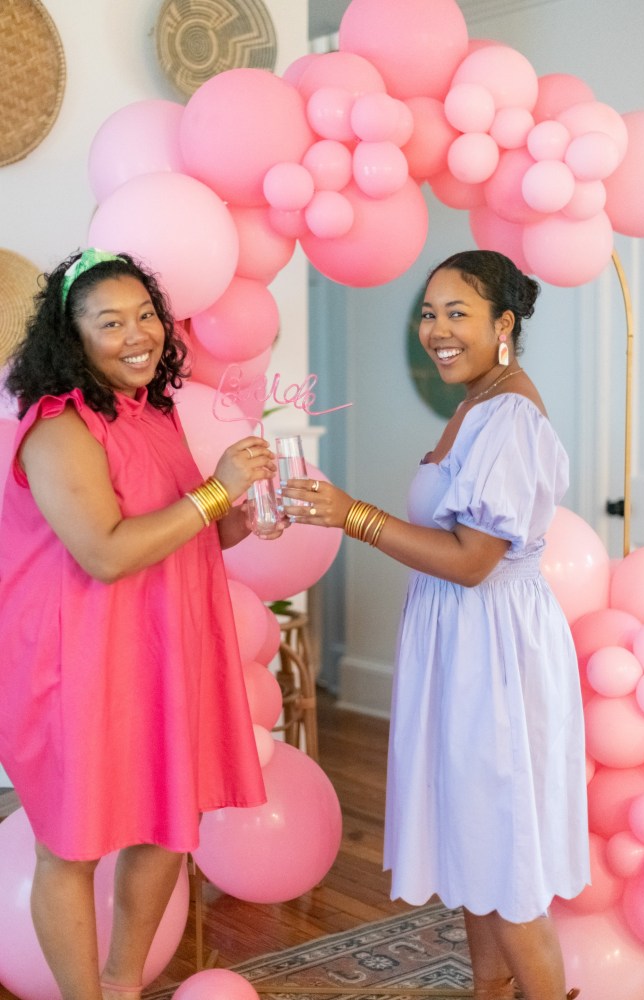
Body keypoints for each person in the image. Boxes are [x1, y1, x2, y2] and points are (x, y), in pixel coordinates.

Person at [283, 250, 588, 1000]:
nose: (437, 330)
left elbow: (473, 559)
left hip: (494, 648)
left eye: (458, 313)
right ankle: (489, 992)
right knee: (476, 843)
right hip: (463, 641)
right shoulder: (477, 402)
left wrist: (352, 515)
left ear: (504, 323)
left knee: (505, 858)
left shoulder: (510, 416)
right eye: (428, 312)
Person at [0, 248, 282, 1000]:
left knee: (167, 821)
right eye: (110, 321)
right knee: (73, 845)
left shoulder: (150, 414)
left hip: (159, 650)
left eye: (146, 314)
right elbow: (106, 553)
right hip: (79, 662)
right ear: (72, 337)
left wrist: (247, 507)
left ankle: (123, 984)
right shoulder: (58, 428)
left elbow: (196, 531)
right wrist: (214, 496)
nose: (138, 334)